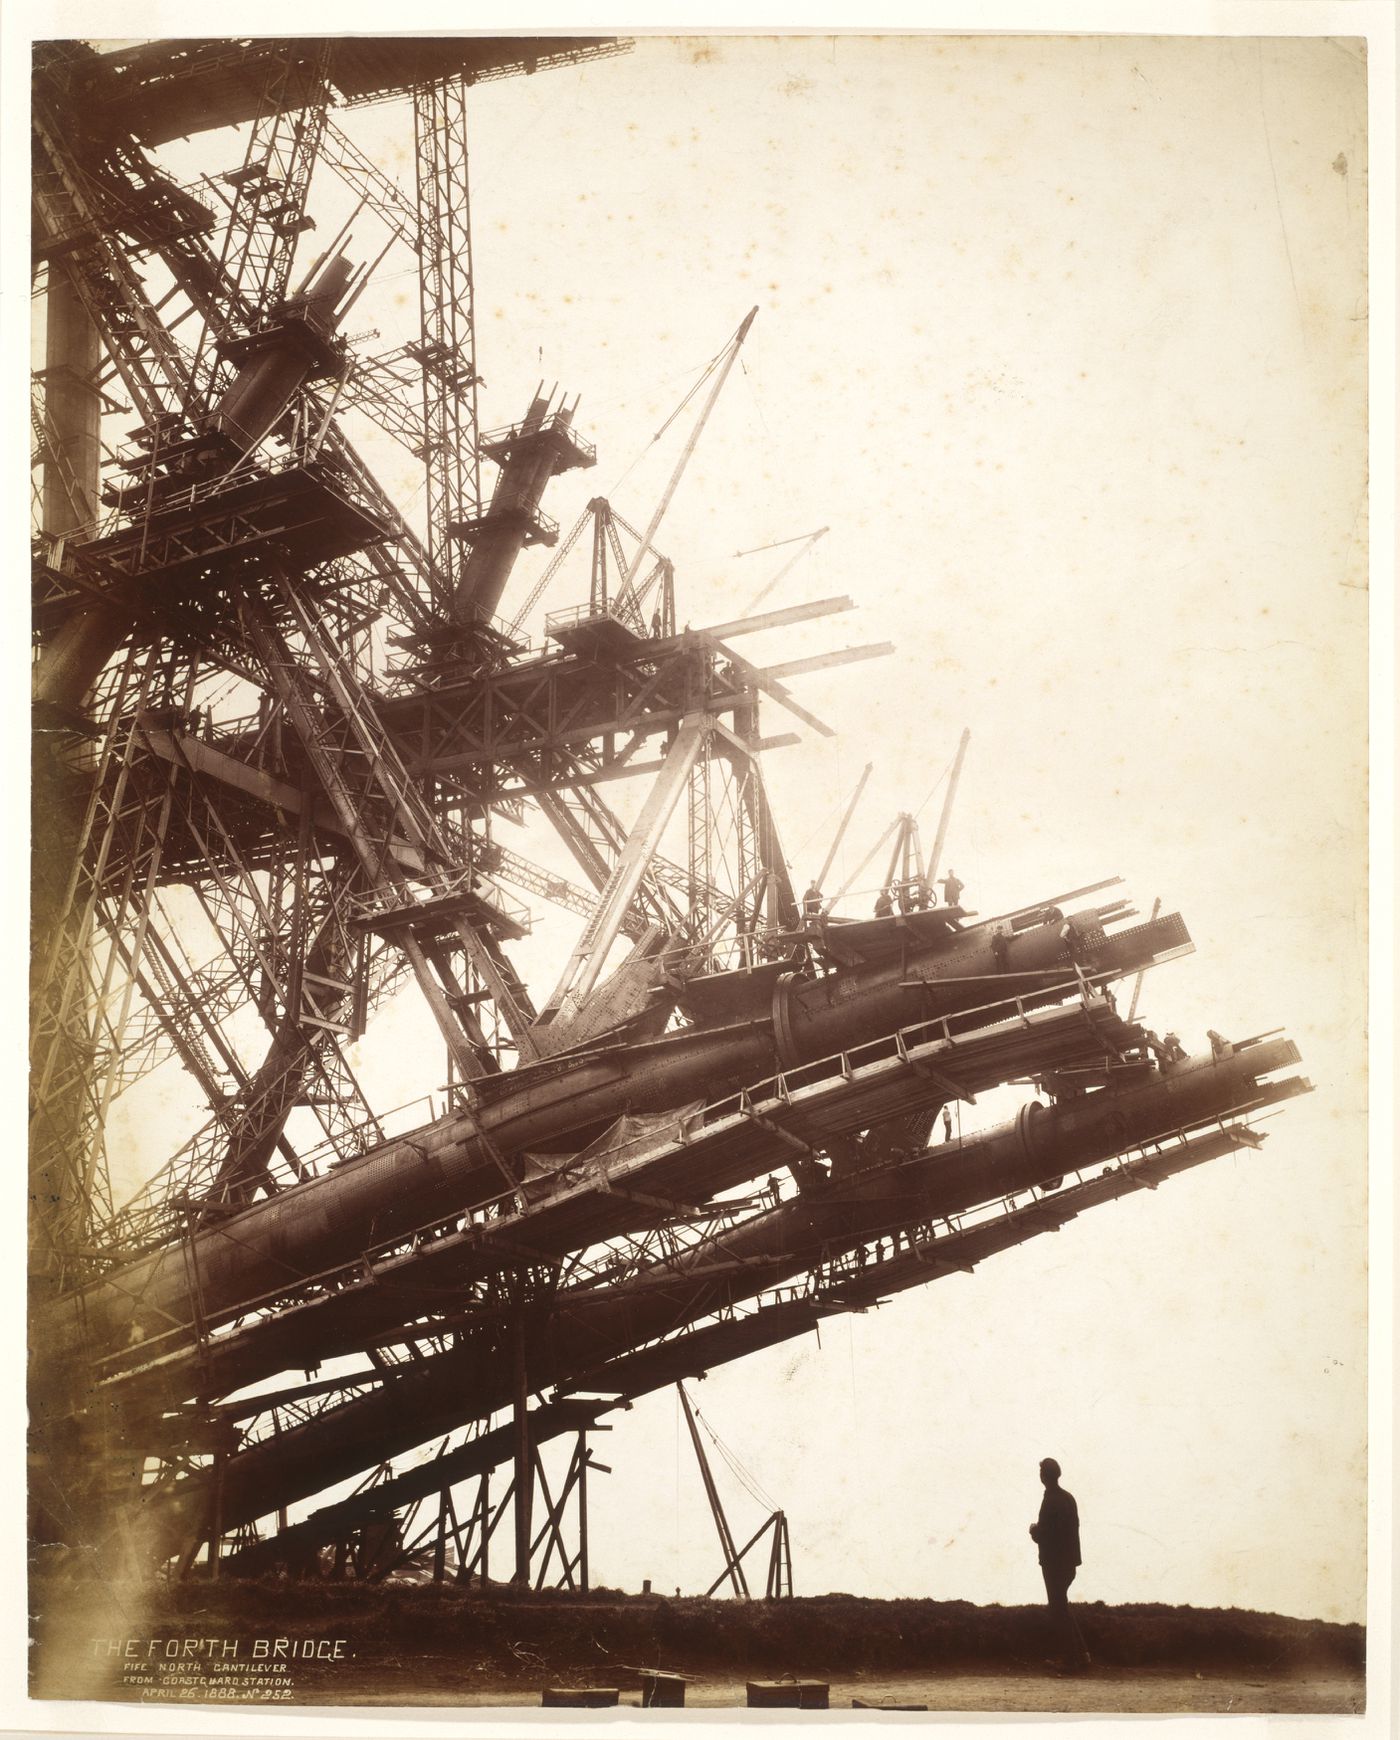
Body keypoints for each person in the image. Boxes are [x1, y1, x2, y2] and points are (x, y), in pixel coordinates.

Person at [1029, 1458, 1091, 1672]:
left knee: (1058, 1610)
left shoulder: (1051, 1500)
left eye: (1040, 1471)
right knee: (1062, 1607)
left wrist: (1033, 1530)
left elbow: (1046, 1535)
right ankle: (1082, 1655)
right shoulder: (1068, 1498)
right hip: (1069, 1563)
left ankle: (1070, 1659)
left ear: (1044, 1476)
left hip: (1053, 1563)